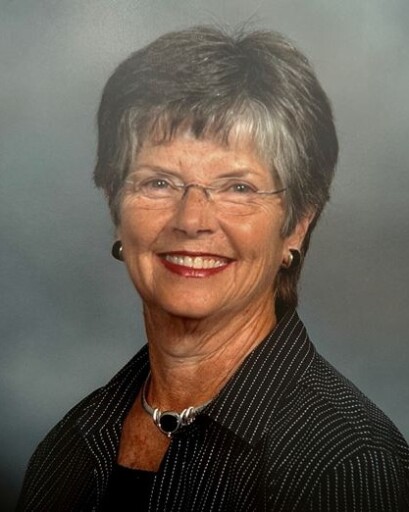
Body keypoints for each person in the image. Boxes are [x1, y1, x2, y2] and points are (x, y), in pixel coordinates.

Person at [17, 25, 409, 512]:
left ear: (296, 225)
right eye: (159, 182)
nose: (191, 220)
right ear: (115, 205)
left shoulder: (346, 462)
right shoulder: (71, 447)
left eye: (238, 188)